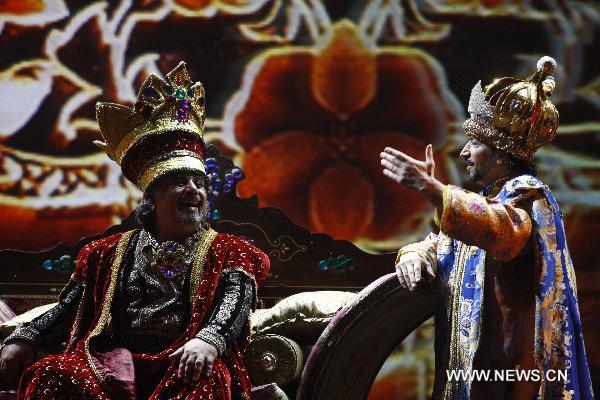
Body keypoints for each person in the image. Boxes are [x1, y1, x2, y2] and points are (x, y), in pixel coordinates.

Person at [0, 61, 269, 399]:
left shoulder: (231, 252)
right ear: (152, 196)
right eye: (178, 182)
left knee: (208, 378)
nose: (193, 190)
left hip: (185, 360)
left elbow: (235, 303)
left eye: (199, 183)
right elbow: (68, 309)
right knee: (52, 372)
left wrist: (207, 340)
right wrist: (25, 337)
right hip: (114, 363)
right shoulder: (105, 254)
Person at [380, 56, 594, 399]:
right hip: (471, 369)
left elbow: (503, 231)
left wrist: (433, 189)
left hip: (506, 372)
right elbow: (443, 243)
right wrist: (414, 254)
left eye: (475, 143)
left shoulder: (530, 200)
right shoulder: (485, 202)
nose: (464, 152)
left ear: (501, 154)